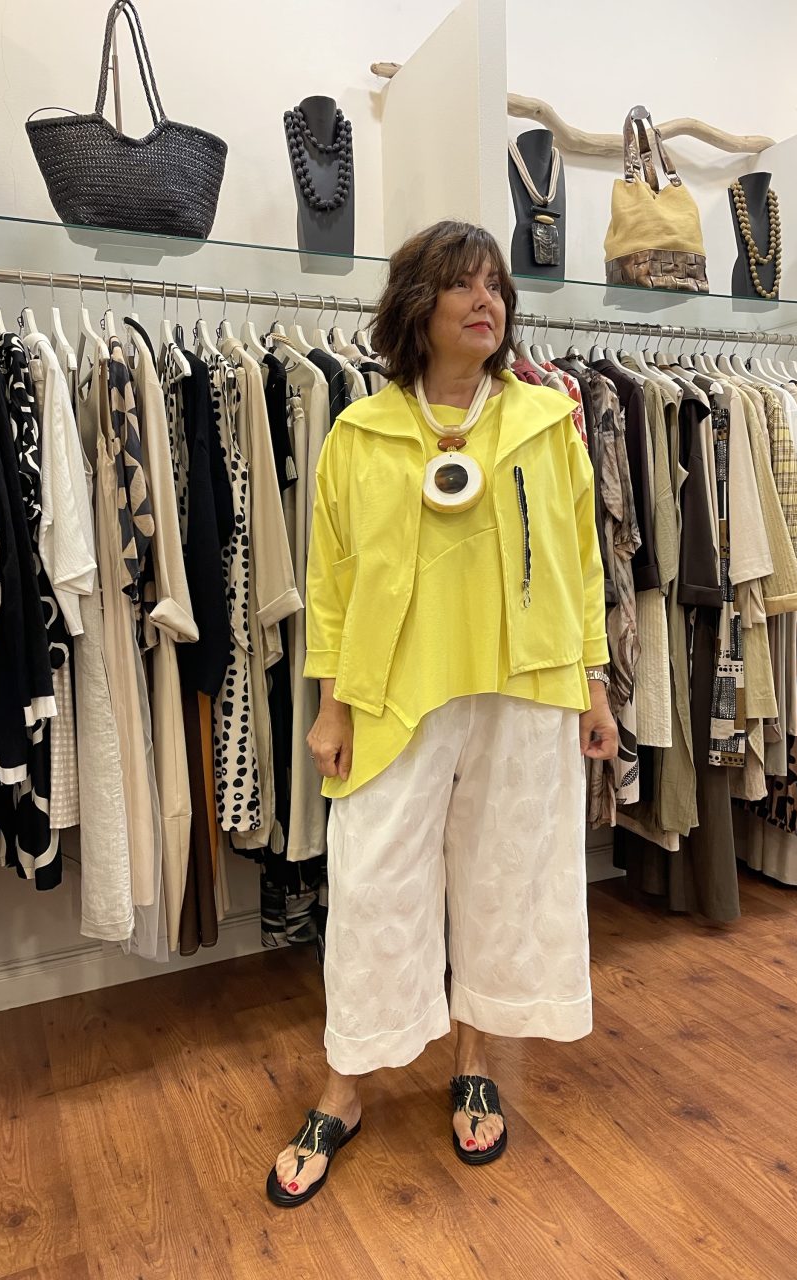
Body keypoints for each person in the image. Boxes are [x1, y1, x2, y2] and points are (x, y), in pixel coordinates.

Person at [267, 220, 617, 1207]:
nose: (485, 299)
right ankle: (345, 1086)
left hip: (525, 688)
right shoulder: (359, 433)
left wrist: (594, 688)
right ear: (418, 305)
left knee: (506, 878)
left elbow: (583, 565)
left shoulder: (548, 422)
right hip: (394, 695)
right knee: (373, 887)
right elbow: (331, 585)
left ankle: (475, 1061)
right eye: (463, 283)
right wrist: (331, 709)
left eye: (496, 284)